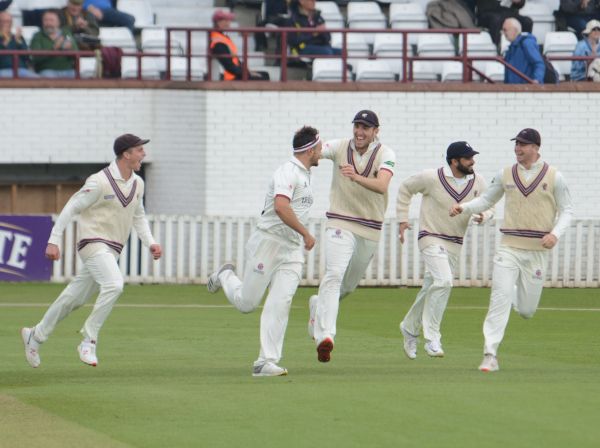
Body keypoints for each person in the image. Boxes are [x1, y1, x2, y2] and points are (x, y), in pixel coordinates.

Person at [21, 134, 163, 369]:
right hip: (93, 243)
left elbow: (138, 216)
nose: (144, 154)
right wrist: (53, 240)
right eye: (139, 150)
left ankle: (35, 335)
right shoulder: (99, 181)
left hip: (112, 250)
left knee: (73, 299)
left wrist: (151, 243)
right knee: (114, 284)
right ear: (126, 154)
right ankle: (89, 340)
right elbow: (71, 207)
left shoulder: (138, 183)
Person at [449, 128, 573, 372]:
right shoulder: (505, 174)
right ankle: (490, 354)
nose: (518, 148)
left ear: (536, 147)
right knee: (499, 299)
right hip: (508, 248)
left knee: (526, 310)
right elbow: (487, 200)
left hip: (537, 251)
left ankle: (513, 293)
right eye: (516, 144)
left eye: (523, 144)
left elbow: (567, 210)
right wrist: (464, 207)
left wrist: (555, 234)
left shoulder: (554, 176)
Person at [207, 126, 321, 377]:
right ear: (311, 150)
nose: (322, 152)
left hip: (292, 250)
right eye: (320, 148)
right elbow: (281, 207)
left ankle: (265, 362)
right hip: (268, 242)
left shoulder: (306, 174)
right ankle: (225, 275)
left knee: (281, 301)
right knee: (247, 303)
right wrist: (305, 233)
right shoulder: (287, 172)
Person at [308, 110, 396, 363]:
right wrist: (308, 146)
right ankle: (325, 336)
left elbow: (382, 185)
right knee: (334, 275)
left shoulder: (386, 154)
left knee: (347, 286)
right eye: (357, 126)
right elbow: (316, 152)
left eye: (365, 128)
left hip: (369, 227)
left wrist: (355, 177)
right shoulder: (339, 147)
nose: (359, 132)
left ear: (376, 131)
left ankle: (317, 306)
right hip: (340, 220)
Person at [397, 142, 492, 359]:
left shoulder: (478, 181)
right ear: (454, 161)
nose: (473, 161)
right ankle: (433, 338)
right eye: (468, 158)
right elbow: (405, 188)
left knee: (430, 288)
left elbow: (490, 204)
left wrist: (483, 215)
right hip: (430, 237)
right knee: (445, 281)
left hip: (454, 243)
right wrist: (402, 219)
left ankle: (409, 328)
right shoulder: (431, 177)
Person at [210, 9, 269, 81]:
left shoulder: (222, 38)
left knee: (265, 74)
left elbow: (235, 61)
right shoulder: (218, 42)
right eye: (226, 20)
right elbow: (230, 67)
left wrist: (248, 72)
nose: (229, 23)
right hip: (231, 77)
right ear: (218, 22)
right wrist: (247, 74)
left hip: (234, 74)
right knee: (263, 77)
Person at [30, 9, 79, 78]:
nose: (48, 23)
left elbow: (77, 53)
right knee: (47, 76)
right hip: (46, 71)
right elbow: (35, 58)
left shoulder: (66, 33)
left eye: (51, 20)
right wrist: (54, 48)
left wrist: (69, 49)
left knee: (78, 76)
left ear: (59, 22)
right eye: (45, 20)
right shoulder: (38, 36)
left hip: (68, 70)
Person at [502, 17, 545, 84]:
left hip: (527, 88)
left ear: (514, 30)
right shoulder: (510, 48)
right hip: (514, 88)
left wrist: (537, 80)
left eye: (505, 30)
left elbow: (538, 64)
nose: (503, 33)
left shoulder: (527, 43)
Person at [0, 11, 39, 78]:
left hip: (22, 70)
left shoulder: (17, 37)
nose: (5, 24)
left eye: (8, 21)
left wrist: (19, 41)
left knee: (39, 80)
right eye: (2, 21)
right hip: (3, 70)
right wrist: (6, 41)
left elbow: (27, 57)